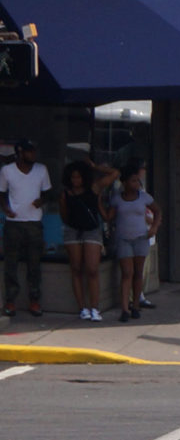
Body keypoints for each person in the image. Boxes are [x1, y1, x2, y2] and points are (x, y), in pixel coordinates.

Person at [0, 138, 49, 319]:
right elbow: (2, 193)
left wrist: (41, 201)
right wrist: (6, 209)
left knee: (34, 264)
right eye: (29, 151)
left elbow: (47, 193)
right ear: (20, 153)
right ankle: (10, 301)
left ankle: (34, 300)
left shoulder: (41, 170)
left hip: (34, 222)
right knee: (11, 264)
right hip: (14, 223)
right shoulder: (7, 171)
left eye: (33, 151)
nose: (32, 154)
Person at [105, 166, 156, 323]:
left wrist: (154, 227)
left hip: (141, 237)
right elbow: (109, 217)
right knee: (127, 272)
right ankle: (125, 307)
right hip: (124, 239)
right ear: (125, 182)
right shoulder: (117, 199)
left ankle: (135, 305)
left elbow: (157, 210)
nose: (136, 184)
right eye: (133, 181)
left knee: (138, 272)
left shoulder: (144, 197)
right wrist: (100, 206)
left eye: (137, 181)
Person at [59, 160, 104, 322]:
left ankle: (95, 307)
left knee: (92, 269)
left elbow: (115, 174)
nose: (76, 181)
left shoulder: (93, 188)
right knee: (76, 268)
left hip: (91, 230)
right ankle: (82, 307)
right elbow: (64, 215)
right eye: (73, 178)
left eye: (78, 177)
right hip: (73, 231)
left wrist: (95, 167)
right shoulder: (65, 194)